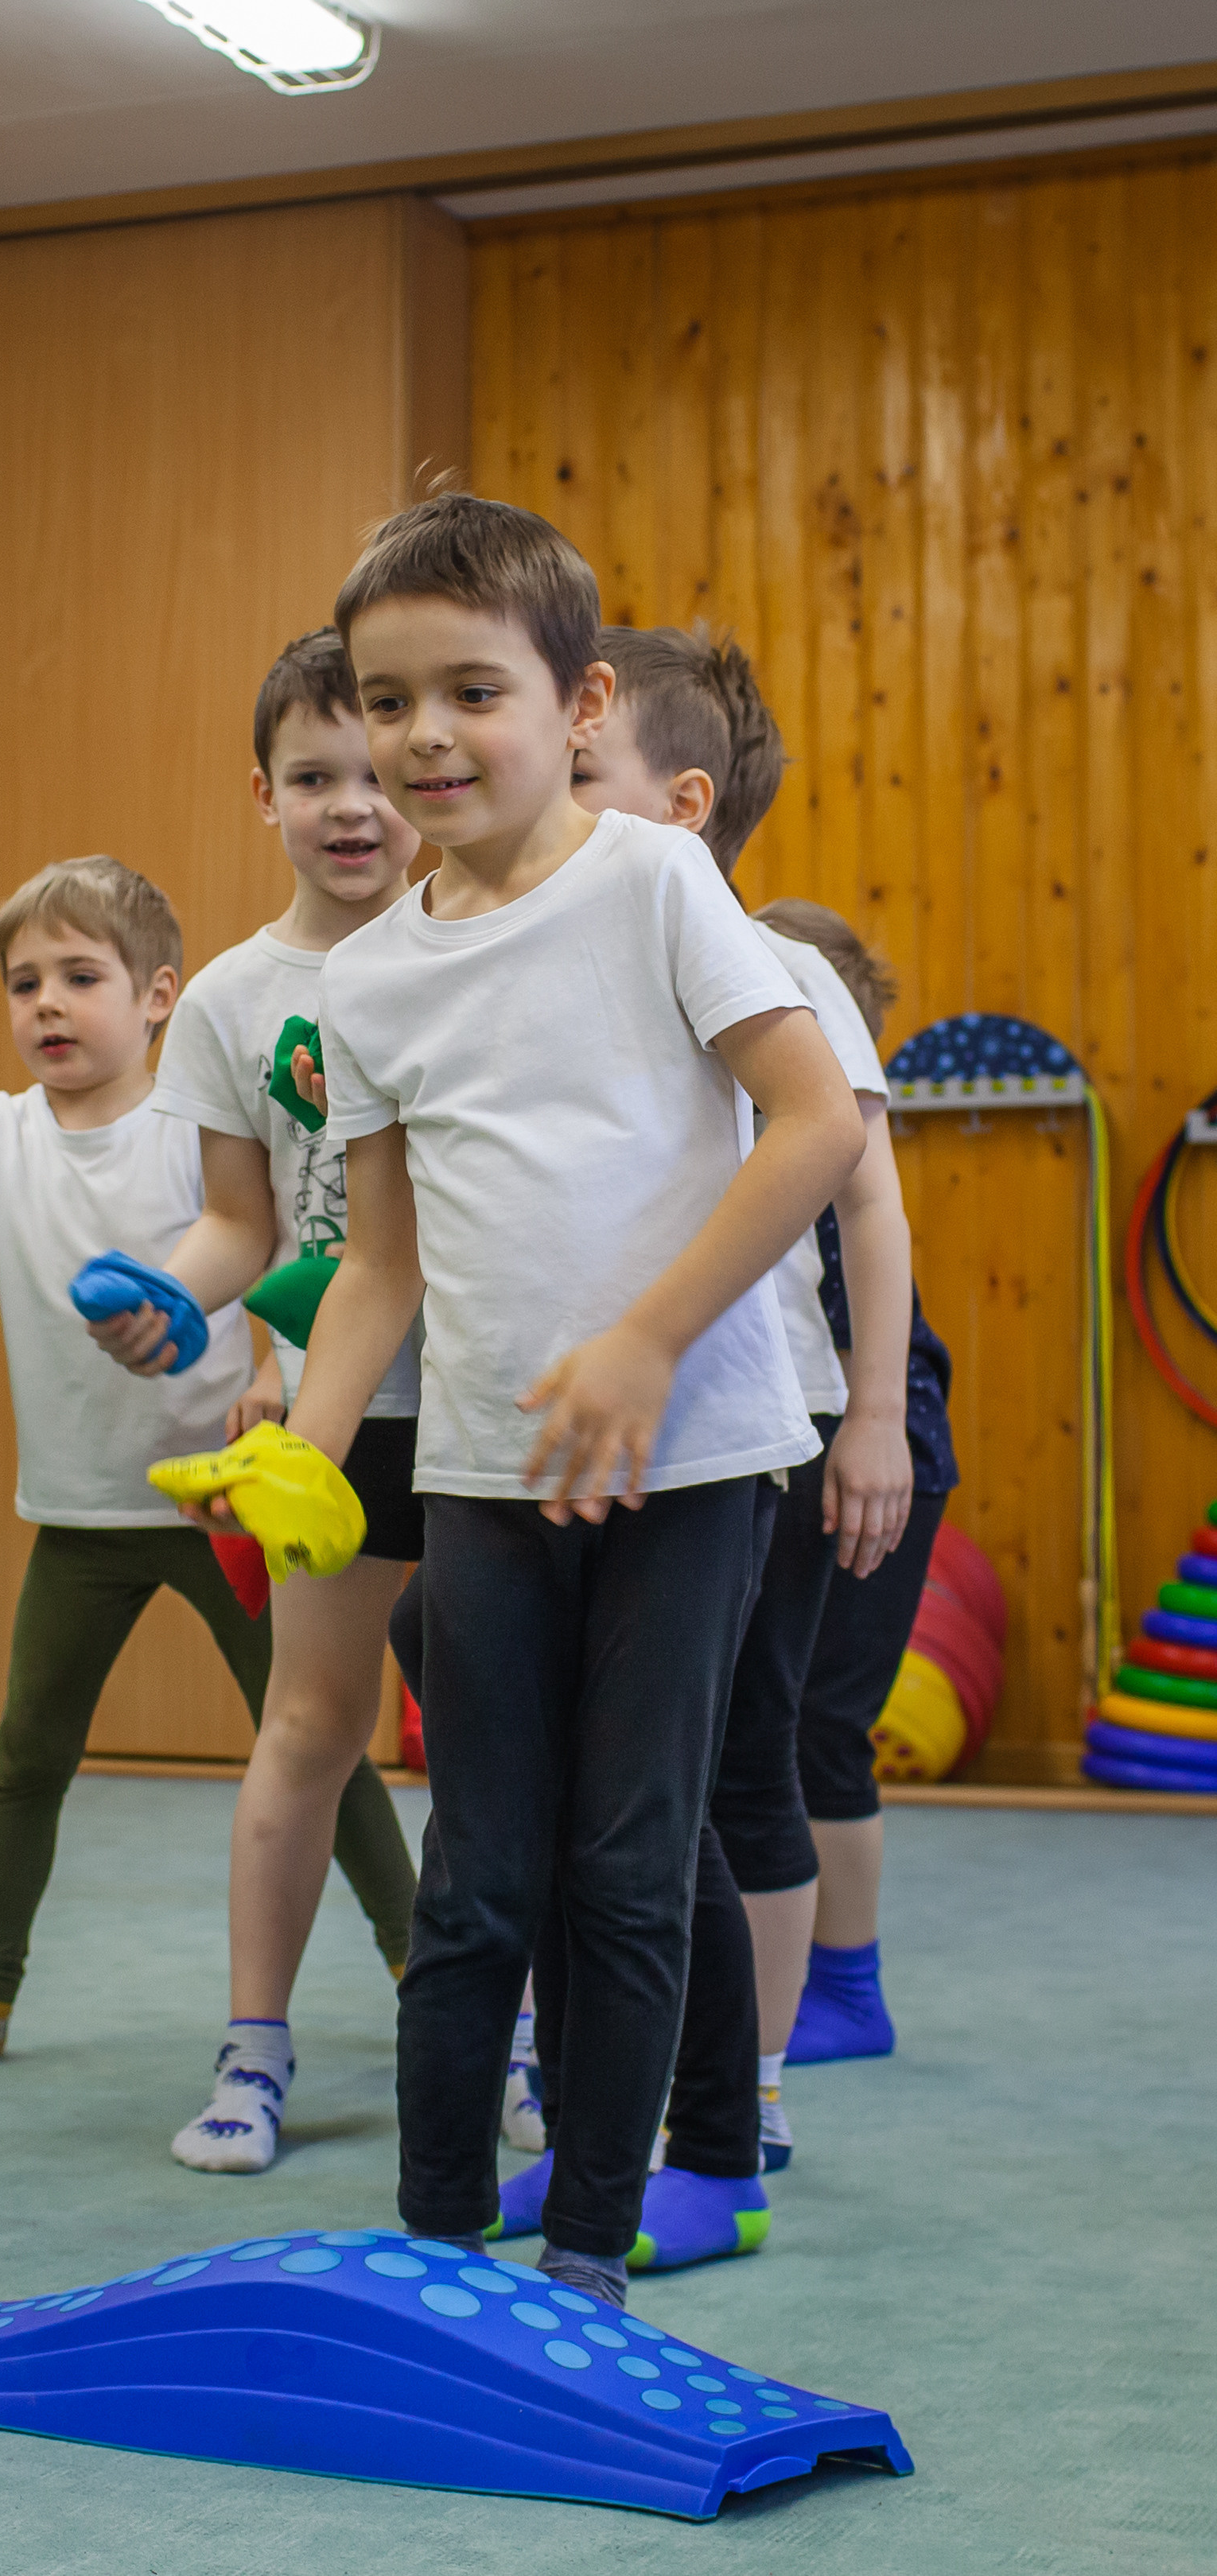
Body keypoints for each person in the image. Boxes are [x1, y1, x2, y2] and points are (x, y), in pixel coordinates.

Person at [221, 491, 864, 2307]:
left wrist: (651, 1336)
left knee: (625, 1863)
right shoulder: (368, 980)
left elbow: (813, 1126)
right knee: (481, 1874)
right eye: (387, 698)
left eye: (470, 693)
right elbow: (382, 1264)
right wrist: (305, 1441)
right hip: (494, 1470)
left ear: (580, 706)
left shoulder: (657, 882)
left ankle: (587, 2244)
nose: (424, 737)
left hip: (697, 1464)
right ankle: (442, 2242)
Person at [0, 854, 410, 2085]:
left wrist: (263, 1368)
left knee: (316, 1742)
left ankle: (421, 1967)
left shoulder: (193, 1131)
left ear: (158, 996)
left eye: (80, 976)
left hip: (220, 1508)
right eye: (24, 981)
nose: (46, 1003)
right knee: (27, 1758)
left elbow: (270, 1245)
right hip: (80, 1520)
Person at [492, 624, 914, 2267]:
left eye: (580, 768)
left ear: (675, 803)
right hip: (614, 1422)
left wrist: (873, 1417)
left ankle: (727, 2119)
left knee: (709, 1779)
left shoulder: (769, 965)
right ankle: (631, 2099)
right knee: (610, 1787)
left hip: (764, 1426)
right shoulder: (552, 949)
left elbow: (862, 1201)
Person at [83, 631, 422, 2172]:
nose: (351, 806)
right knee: (309, 1720)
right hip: (325, 1417)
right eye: (313, 776)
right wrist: (171, 1299)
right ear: (263, 793)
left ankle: (528, 2044)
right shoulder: (227, 998)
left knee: (497, 1739)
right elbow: (241, 1224)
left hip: (496, 1405)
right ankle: (254, 2048)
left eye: (375, 770)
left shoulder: (483, 947)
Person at [750, 899, 959, 2066]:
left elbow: (872, 1350)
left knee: (823, 1724)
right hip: (812, 1454)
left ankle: (850, 1984)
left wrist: (869, 1433)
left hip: (883, 1464)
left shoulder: (836, 1167)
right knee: (777, 1728)